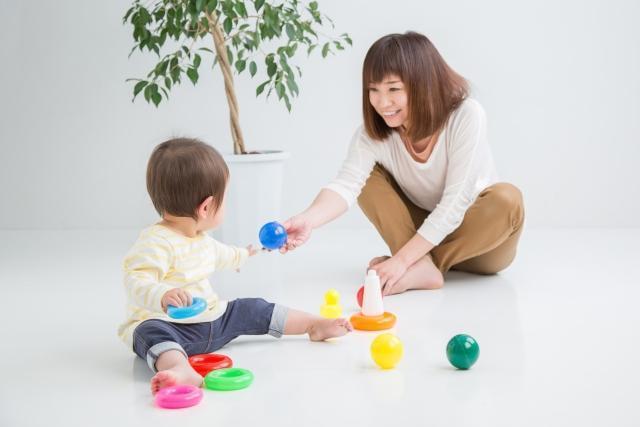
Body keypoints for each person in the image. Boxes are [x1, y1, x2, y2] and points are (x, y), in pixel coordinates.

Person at [281, 32, 525, 296]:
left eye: (393, 89)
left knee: (507, 200)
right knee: (367, 177)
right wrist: (307, 219)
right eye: (373, 90)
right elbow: (346, 185)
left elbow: (457, 201)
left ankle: (423, 265)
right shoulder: (371, 135)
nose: (382, 103)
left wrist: (400, 261)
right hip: (420, 234)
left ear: (424, 84)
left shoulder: (466, 115)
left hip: (479, 241)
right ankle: (421, 267)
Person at [118, 138, 352, 395]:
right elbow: (135, 279)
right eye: (225, 198)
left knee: (252, 308)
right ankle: (179, 367)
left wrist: (245, 254)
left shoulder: (201, 239)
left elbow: (223, 255)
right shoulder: (155, 241)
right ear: (206, 207)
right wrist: (162, 295)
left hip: (212, 320)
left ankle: (313, 324)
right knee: (147, 333)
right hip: (169, 326)